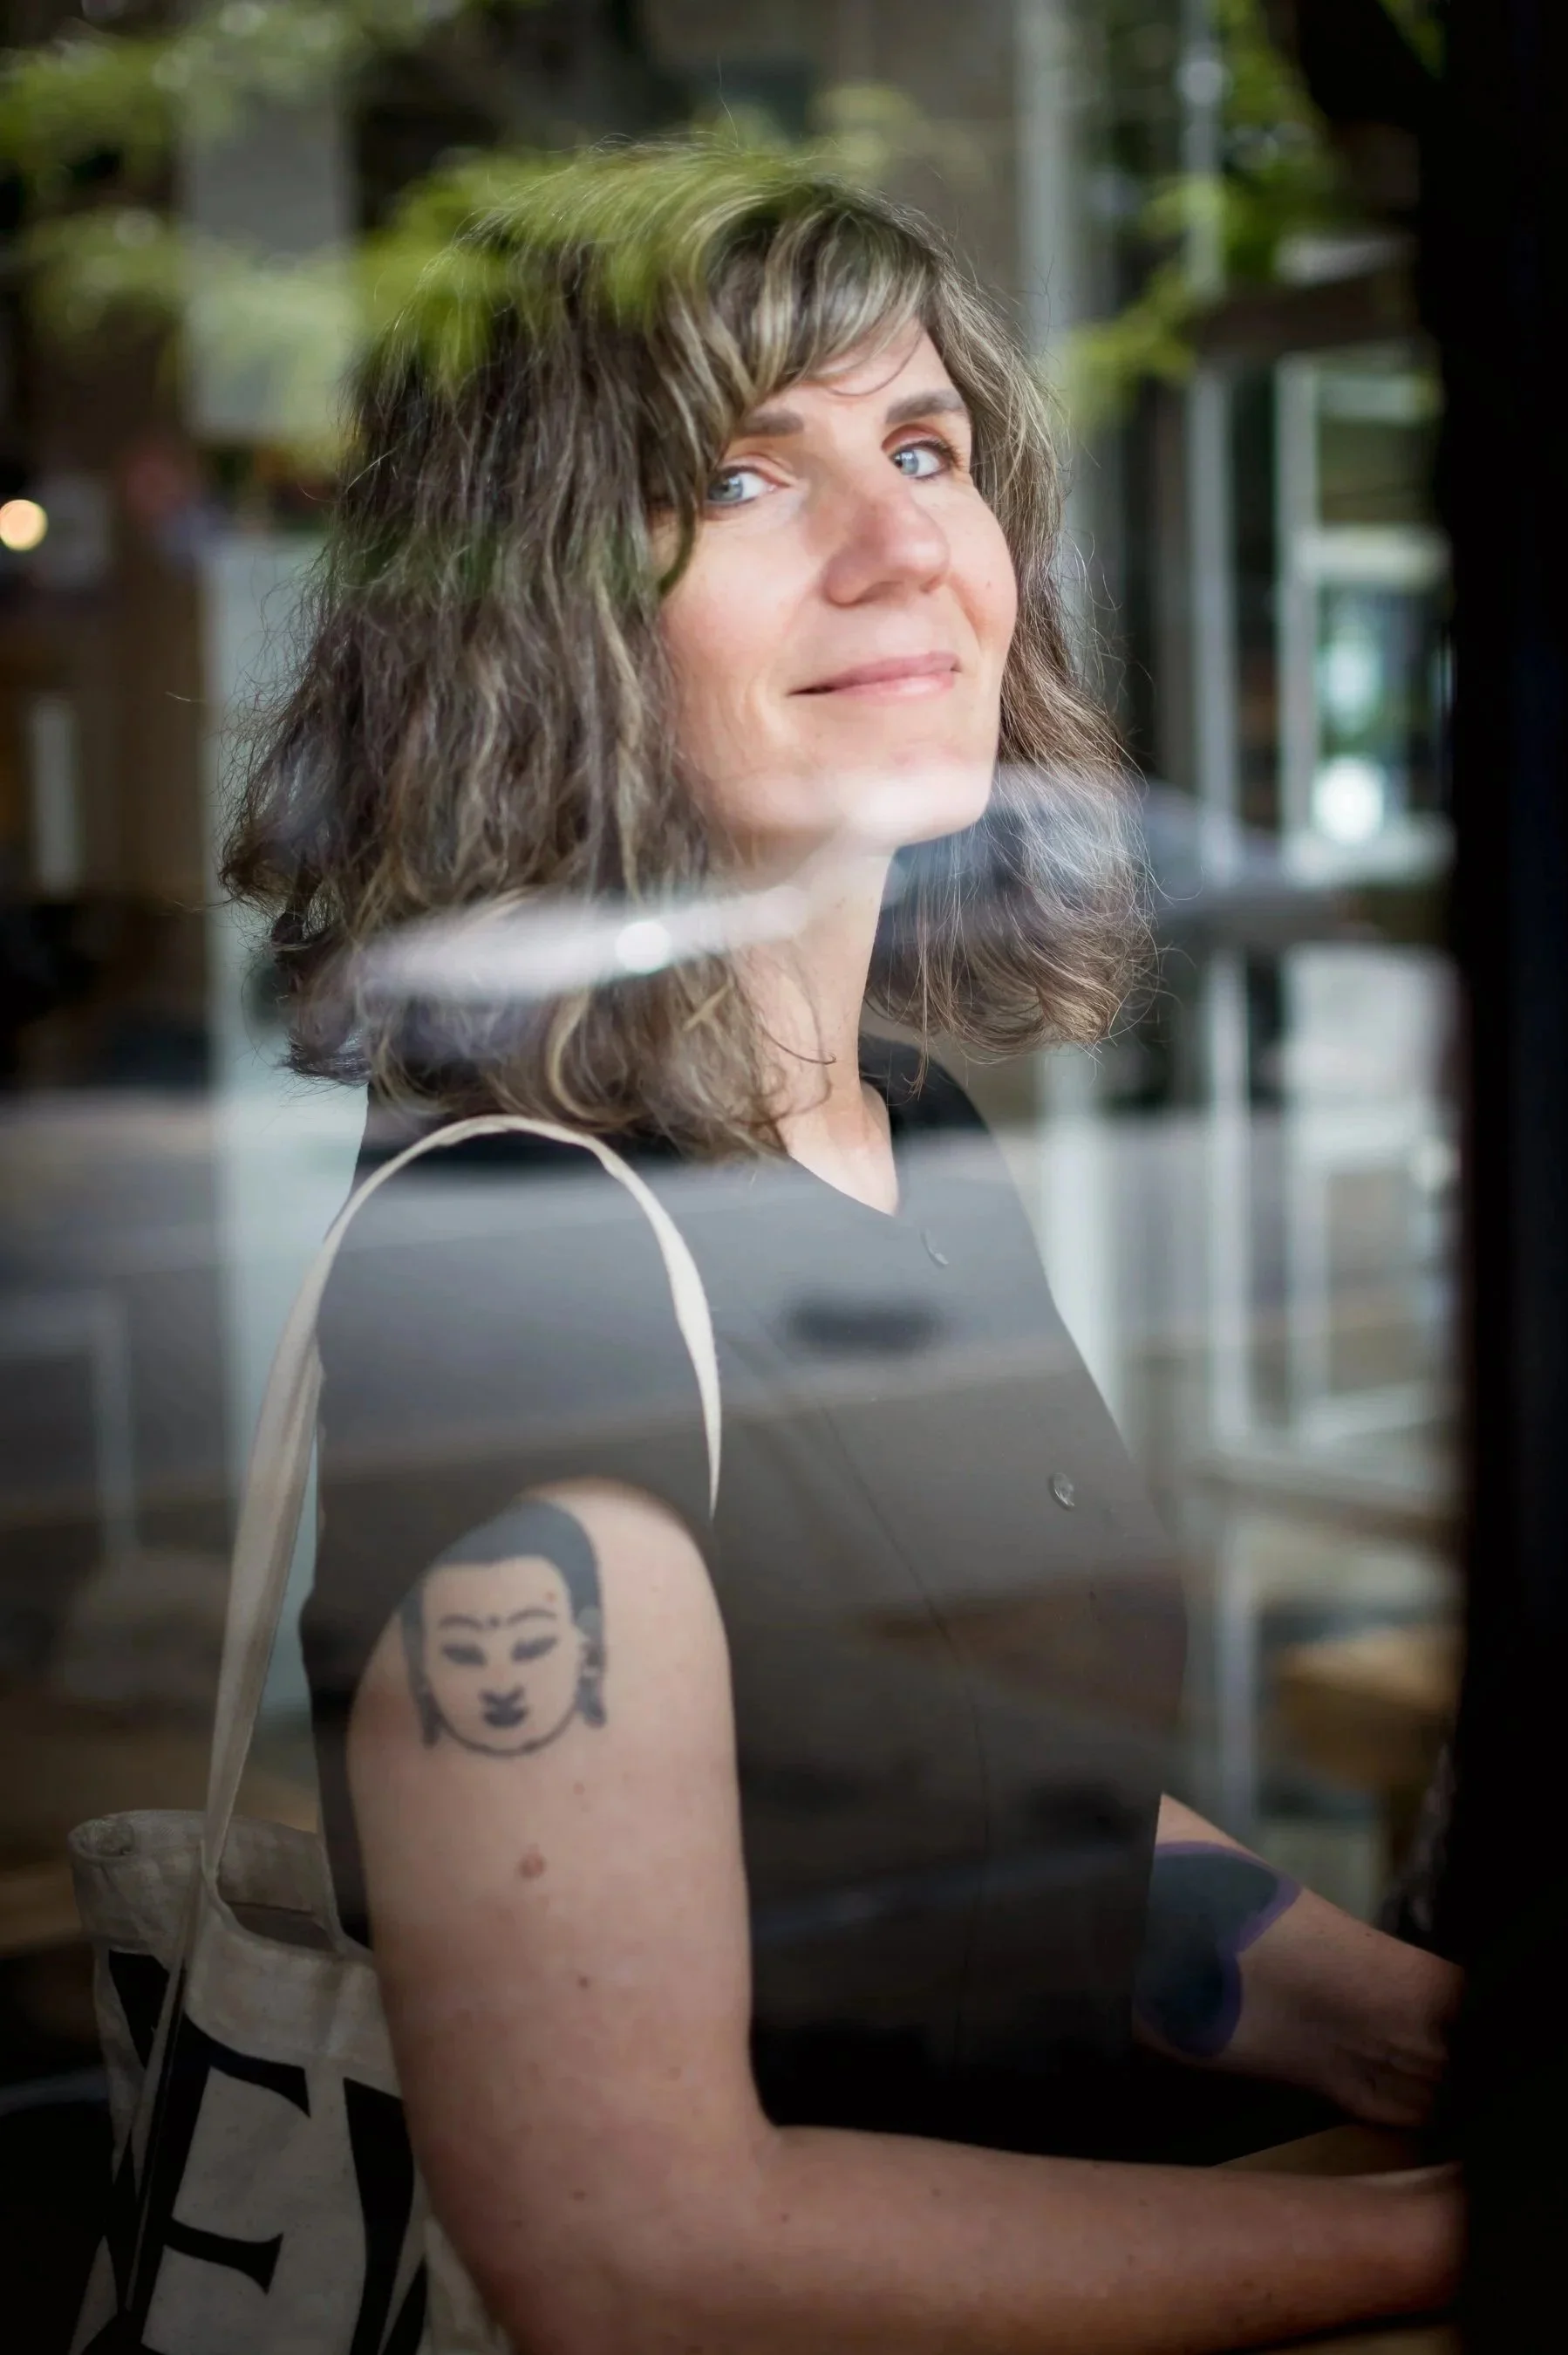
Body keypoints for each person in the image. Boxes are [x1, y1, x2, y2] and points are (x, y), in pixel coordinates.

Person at [225, 145, 1460, 2353]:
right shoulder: (522, 1279)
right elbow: (641, 2256)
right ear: (541, 612)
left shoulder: (907, 1137)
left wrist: (1396, 2040)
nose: (907, 547)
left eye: (925, 450)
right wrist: (1447, 2240)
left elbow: (989, 1808)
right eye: (742, 473)